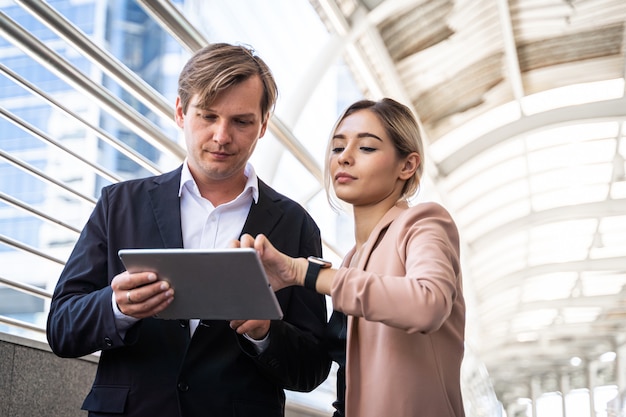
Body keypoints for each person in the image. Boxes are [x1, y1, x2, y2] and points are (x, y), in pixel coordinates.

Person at [46, 42, 331, 417]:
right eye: (208, 116)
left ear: (263, 126)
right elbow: (62, 328)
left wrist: (264, 334)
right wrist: (118, 308)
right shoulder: (120, 204)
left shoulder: (295, 225)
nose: (221, 136)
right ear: (181, 112)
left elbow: (312, 367)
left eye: (241, 121)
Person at [236, 98, 466, 417]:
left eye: (367, 148)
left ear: (407, 165)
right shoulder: (353, 260)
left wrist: (305, 272)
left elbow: (428, 304)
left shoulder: (425, 223)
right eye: (338, 147)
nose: (345, 157)